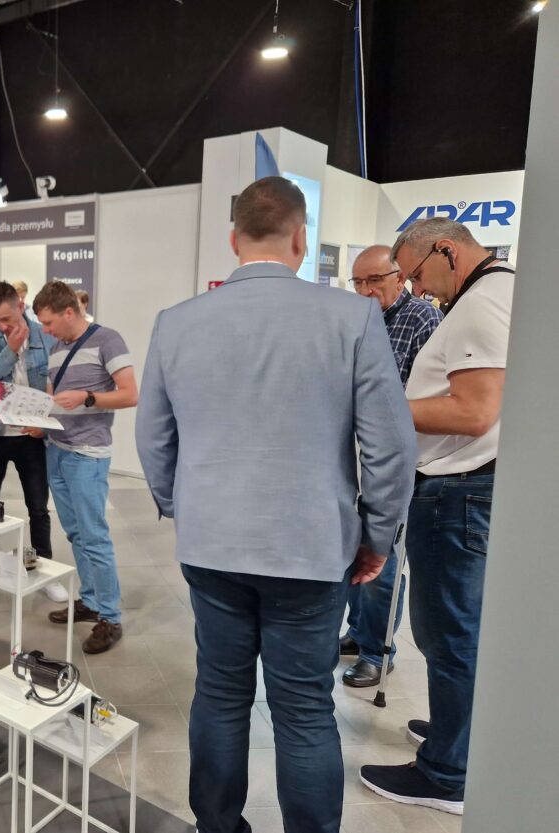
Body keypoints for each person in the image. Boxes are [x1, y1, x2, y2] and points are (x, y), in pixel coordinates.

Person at [136, 176, 416, 833]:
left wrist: (183, 506)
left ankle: (218, 826)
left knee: (219, 692)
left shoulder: (176, 322)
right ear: (301, 238)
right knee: (304, 708)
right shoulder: (352, 317)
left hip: (212, 544)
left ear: (234, 239)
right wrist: (377, 535)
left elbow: (153, 438)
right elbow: (390, 445)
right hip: (310, 545)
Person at [360, 219, 514, 816]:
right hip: (469, 489)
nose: (418, 290)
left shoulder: (479, 305)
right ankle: (460, 737)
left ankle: (448, 774)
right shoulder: (496, 290)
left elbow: (473, 412)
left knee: (449, 635)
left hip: (458, 492)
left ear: (446, 250)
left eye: (417, 275)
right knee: (460, 630)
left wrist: (381, 408)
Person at [340, 245, 444, 688]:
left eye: (375, 280)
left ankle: (376, 652)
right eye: (358, 282)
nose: (365, 290)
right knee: (354, 552)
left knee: (382, 558)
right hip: (354, 455)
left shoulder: (422, 319)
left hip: (396, 460)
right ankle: (358, 631)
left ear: (399, 278)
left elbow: (430, 393)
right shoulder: (354, 320)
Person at [34, 280, 138, 654]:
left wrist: (88, 397)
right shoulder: (56, 349)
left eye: (49, 323)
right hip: (57, 450)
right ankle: (91, 601)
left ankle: (110, 617)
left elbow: (130, 394)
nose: (46, 331)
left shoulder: (108, 340)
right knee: (76, 534)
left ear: (69, 312)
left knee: (94, 536)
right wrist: (37, 420)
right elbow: (52, 401)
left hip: (87, 455)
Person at [0, 280, 67, 602]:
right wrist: (9, 351)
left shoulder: (43, 335)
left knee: (38, 507)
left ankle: (43, 568)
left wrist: (45, 425)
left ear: (20, 307)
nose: (1, 326)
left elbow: (55, 384)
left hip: (31, 436)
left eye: (6, 319)